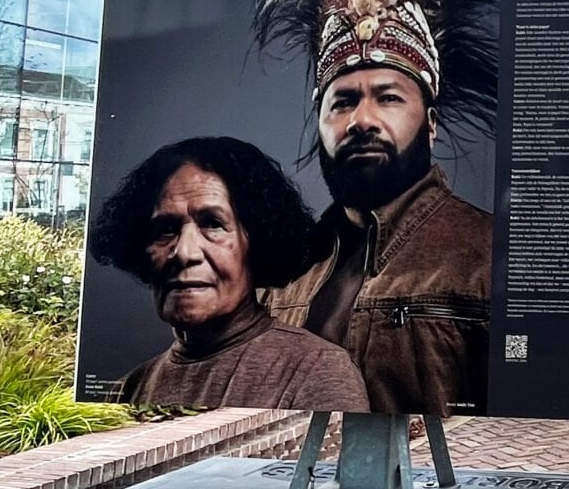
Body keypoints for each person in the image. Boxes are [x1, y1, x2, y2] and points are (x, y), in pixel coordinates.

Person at [250, 0, 497, 414]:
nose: (362, 120)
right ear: (321, 123)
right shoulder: (284, 270)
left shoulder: (492, 256)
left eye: (388, 97)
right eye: (342, 101)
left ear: (430, 123)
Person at [89, 137, 370, 410]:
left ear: (258, 244)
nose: (185, 252)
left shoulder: (317, 372)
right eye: (165, 229)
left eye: (212, 224)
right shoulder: (130, 386)